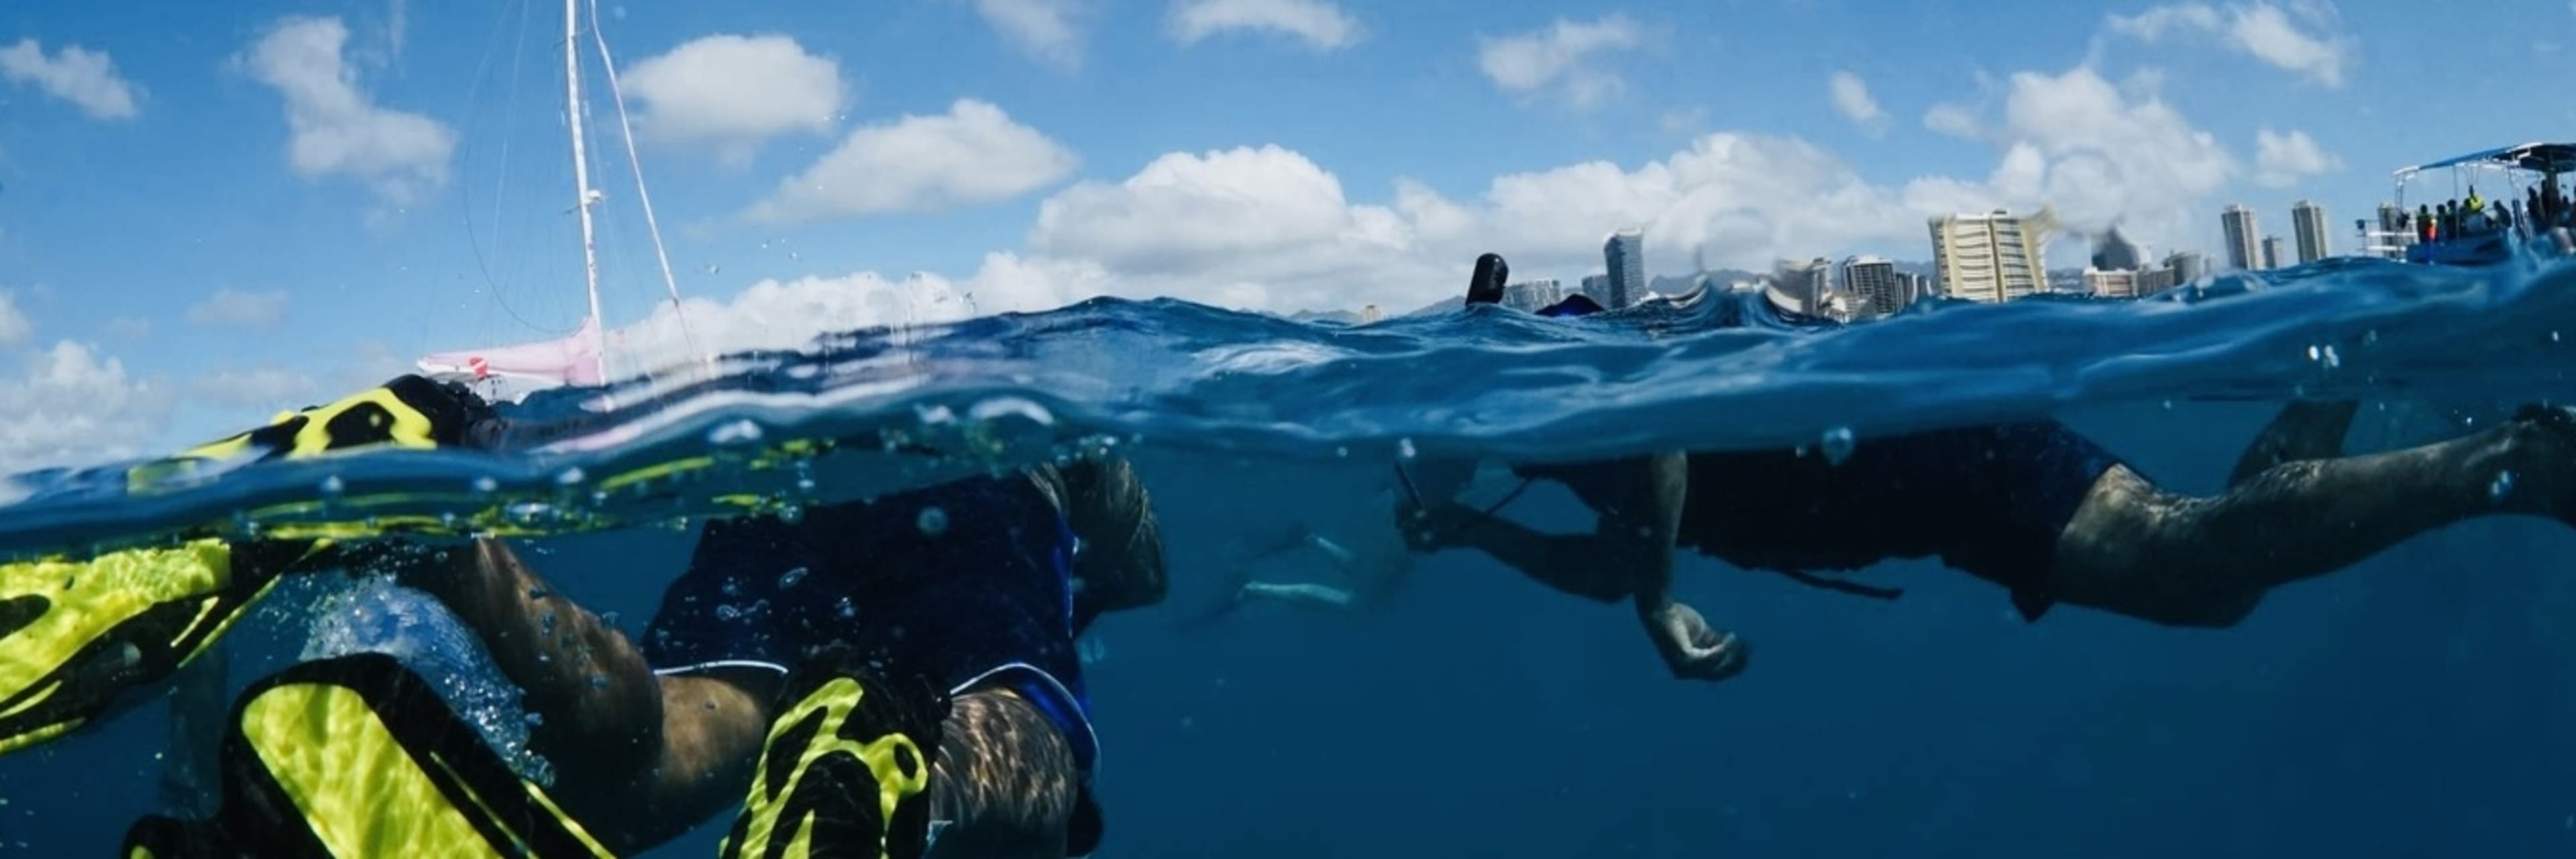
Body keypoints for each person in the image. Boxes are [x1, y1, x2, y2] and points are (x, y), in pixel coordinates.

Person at [1395, 253, 2576, 683]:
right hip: (1918, 497)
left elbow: (1655, 428)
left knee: (2186, 564)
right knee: (2209, 579)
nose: (1419, 491)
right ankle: (2339, 375)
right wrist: (1478, 536)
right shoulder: (1525, 450)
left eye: (1418, 471)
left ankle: (2518, 459)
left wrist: (1658, 596)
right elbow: (1610, 565)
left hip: (1934, 459)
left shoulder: (1543, 375)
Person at [130, 375, 1171, 858]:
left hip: (785, 491)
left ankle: (444, 537)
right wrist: (1099, 539)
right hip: (975, 496)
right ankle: (885, 772)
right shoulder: (1037, 397)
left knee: (646, 772)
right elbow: (1142, 566)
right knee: (1024, 755)